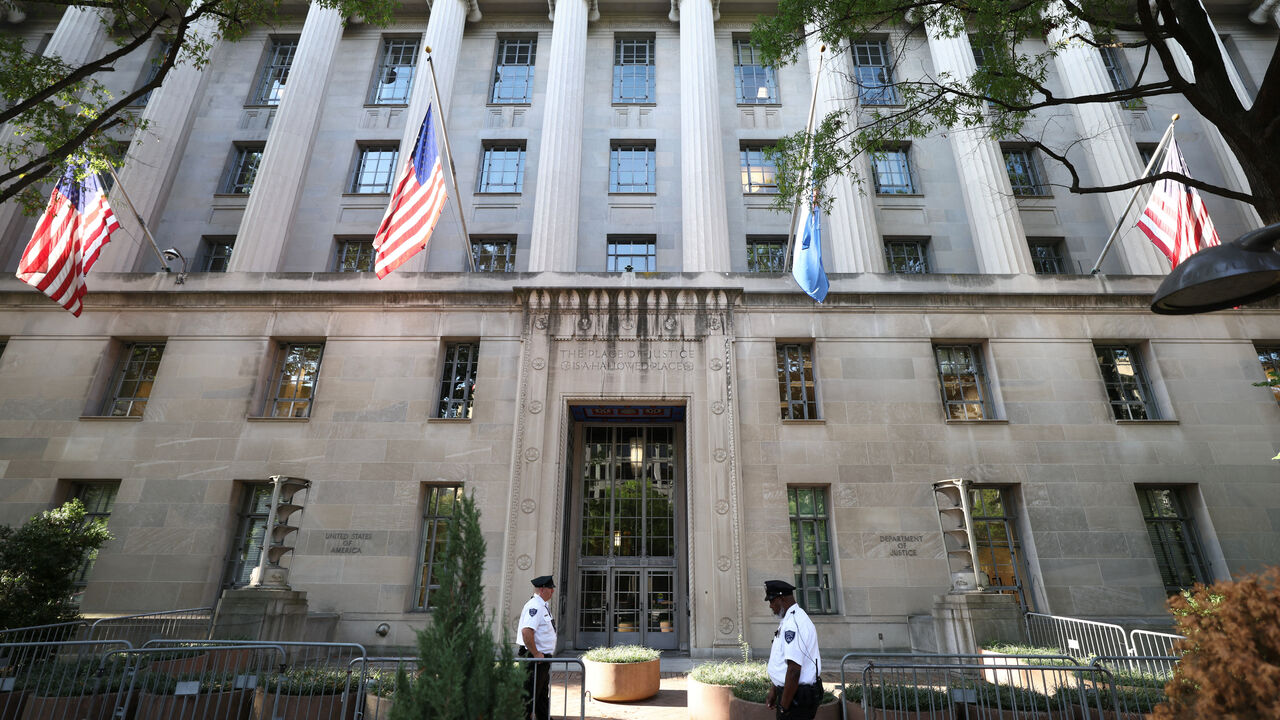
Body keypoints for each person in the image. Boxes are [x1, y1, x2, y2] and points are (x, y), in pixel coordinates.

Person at [764, 580, 822, 720]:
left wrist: (783, 708)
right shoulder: (789, 619)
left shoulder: (793, 624)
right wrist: (775, 689)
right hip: (793, 694)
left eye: (772, 601)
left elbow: (794, 670)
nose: (771, 606)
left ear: (781, 598)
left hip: (797, 698)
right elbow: (783, 661)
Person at [517, 574, 557, 720]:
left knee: (540, 695)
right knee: (529, 695)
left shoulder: (542, 606)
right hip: (535, 658)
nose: (552, 591)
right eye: (550, 588)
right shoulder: (534, 606)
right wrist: (535, 653)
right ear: (542, 589)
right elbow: (527, 631)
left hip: (542, 658)